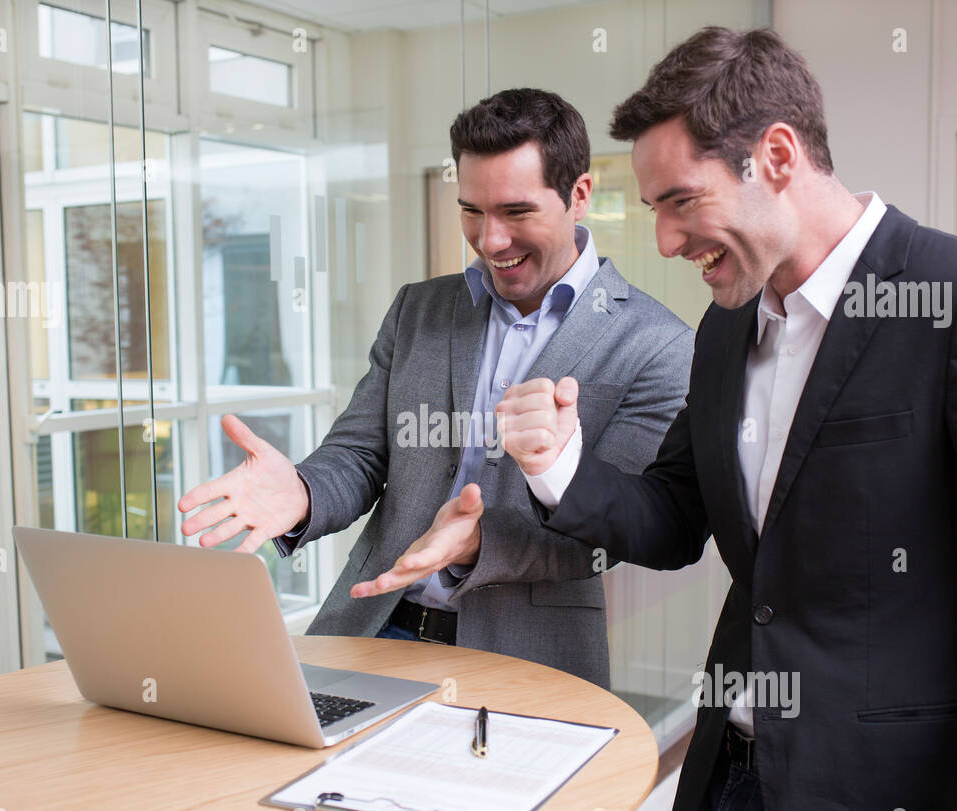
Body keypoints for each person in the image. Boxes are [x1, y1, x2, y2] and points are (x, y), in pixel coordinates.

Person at [487, 28, 957, 811]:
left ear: (775, 156)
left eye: (680, 201)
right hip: (732, 793)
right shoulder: (727, 326)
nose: (665, 241)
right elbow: (673, 516)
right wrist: (558, 463)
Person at [177, 88, 694, 688]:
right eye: (471, 210)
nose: (490, 239)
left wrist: (478, 542)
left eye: (516, 211)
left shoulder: (657, 344)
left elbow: (606, 537)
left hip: (527, 660)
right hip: (374, 629)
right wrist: (302, 490)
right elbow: (360, 454)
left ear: (579, 195)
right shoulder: (419, 309)